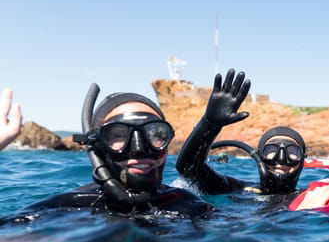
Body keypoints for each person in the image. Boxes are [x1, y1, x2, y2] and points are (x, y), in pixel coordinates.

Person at [21, 84, 211, 217]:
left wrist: (209, 125)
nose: (138, 148)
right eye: (119, 135)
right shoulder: (67, 207)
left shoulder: (186, 204)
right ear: (97, 145)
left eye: (154, 133)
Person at [176, 69, 306, 199]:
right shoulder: (237, 189)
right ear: (259, 156)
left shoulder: (313, 197)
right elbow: (188, 169)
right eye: (272, 150)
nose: (281, 159)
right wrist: (209, 124)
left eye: (292, 152)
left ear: (303, 160)